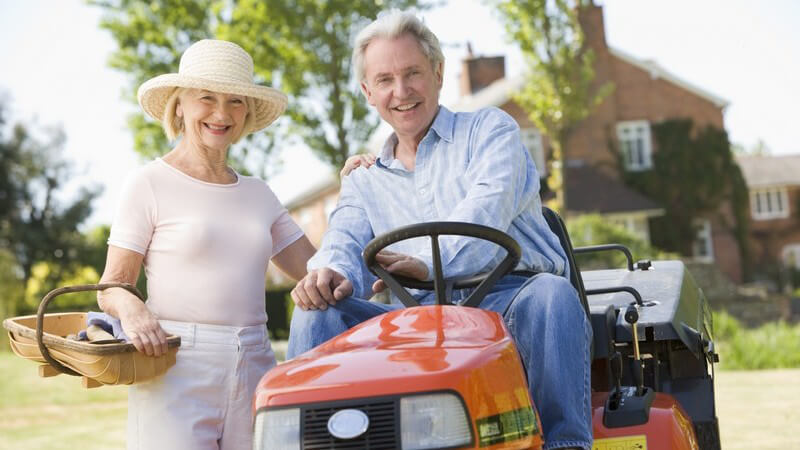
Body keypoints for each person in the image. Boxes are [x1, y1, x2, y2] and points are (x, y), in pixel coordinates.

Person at [287, 10, 593, 450]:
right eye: (386, 79)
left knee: (552, 294)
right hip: (411, 318)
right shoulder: (364, 178)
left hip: (508, 300)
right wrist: (327, 272)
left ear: (438, 72)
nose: (401, 91)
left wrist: (429, 264)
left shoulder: (490, 131)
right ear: (368, 92)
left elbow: (485, 209)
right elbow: (344, 239)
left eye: (413, 73)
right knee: (317, 310)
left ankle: (566, 444)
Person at [97, 39, 316, 450]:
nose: (221, 113)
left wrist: (355, 184)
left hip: (255, 363)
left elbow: (318, 271)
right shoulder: (148, 183)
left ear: (247, 112)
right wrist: (133, 309)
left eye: (235, 101)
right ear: (179, 105)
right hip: (174, 365)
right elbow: (112, 285)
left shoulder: (259, 193)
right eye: (206, 99)